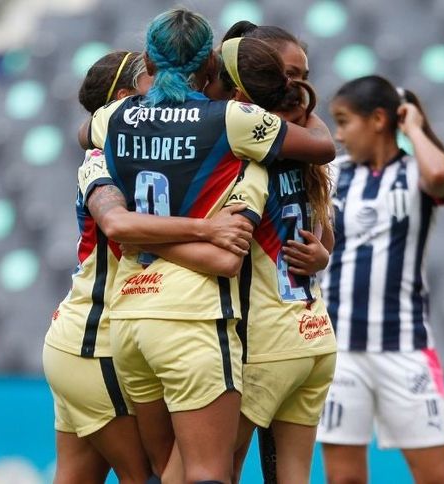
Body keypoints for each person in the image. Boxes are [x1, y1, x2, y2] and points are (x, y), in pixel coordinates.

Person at [83, 8, 336, 483]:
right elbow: (323, 150)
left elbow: (86, 134)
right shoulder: (238, 129)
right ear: (209, 65)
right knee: (209, 472)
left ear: (148, 61)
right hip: (238, 324)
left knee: (168, 471)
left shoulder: (115, 117)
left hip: (133, 317)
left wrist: (137, 229)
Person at [45, 50, 254, 484]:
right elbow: (120, 226)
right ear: (125, 99)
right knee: (152, 477)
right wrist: (208, 229)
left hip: (83, 335)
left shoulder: (139, 153)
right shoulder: (103, 159)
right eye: (149, 80)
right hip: (97, 340)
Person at [317, 75, 444, 484]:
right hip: (339, 348)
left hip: (405, 347)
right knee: (343, 479)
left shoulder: (417, 171)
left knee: (438, 479)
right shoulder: (333, 173)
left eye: (344, 122)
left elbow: (441, 177)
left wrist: (414, 127)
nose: (339, 135)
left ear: (379, 120)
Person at [205, 24, 338, 484]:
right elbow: (325, 239)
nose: (295, 85)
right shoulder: (304, 154)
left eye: (302, 76)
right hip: (314, 335)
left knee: (214, 471)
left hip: (263, 342)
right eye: (289, 74)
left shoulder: (243, 148)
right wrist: (321, 258)